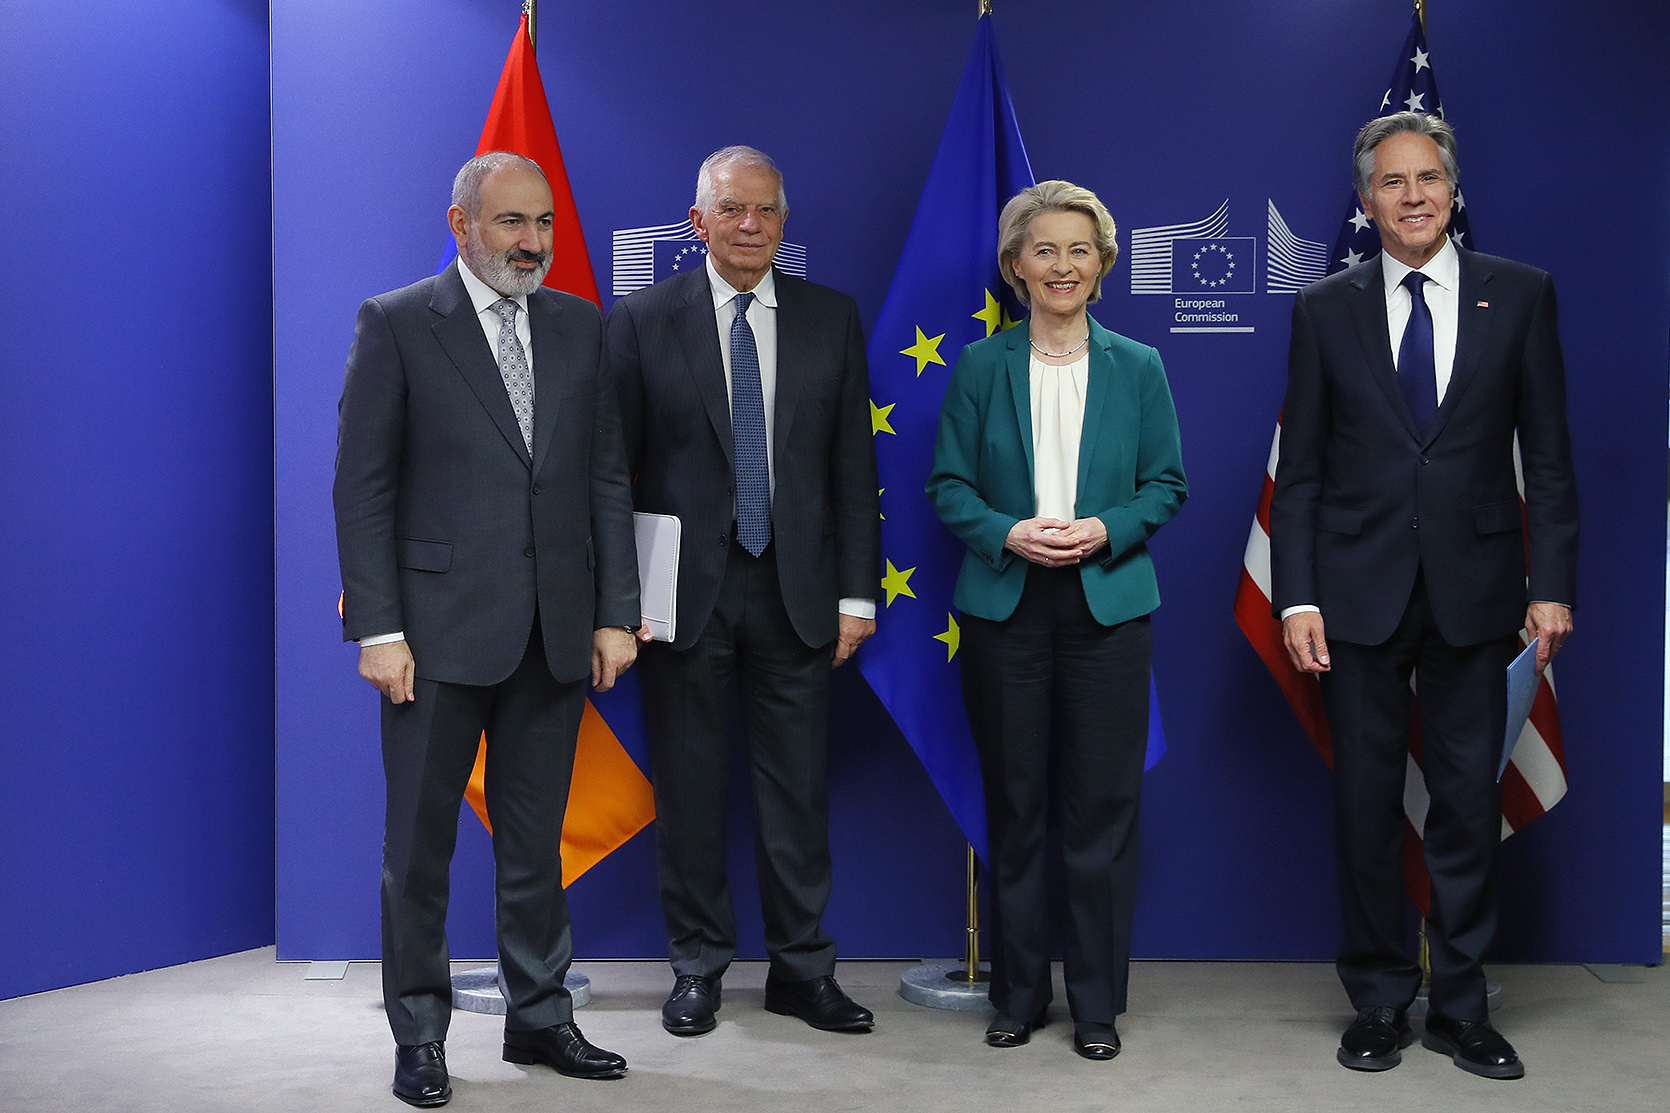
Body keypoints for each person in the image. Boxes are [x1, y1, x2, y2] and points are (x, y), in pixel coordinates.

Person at [1269, 112, 1578, 1080]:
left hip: (1478, 594)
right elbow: (1301, 472)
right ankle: (1375, 998)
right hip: (1354, 597)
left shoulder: (1519, 294)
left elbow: (1548, 458)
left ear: (1452, 189)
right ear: (1367, 201)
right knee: (1365, 806)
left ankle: (1459, 1006)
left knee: (1464, 805)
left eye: (1428, 178)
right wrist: (1296, 598)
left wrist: (1550, 586)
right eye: (1393, 182)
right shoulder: (1323, 307)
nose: (1413, 196)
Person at [334, 151, 641, 1107]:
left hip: (554, 630)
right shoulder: (396, 322)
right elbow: (362, 488)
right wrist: (378, 628)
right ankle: (420, 1034)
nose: (532, 242)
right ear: (461, 223)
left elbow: (605, 476)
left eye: (542, 222)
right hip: (432, 638)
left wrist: (615, 611)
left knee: (536, 843)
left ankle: (541, 1016)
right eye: (512, 222)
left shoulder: (580, 324)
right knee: (419, 848)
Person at [605, 146, 882, 1037]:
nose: (750, 225)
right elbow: (611, 474)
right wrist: (619, 599)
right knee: (690, 793)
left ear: (785, 222)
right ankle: (697, 967)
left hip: (799, 595)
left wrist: (857, 596)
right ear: (699, 222)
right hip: (681, 601)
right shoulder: (642, 320)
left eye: (765, 210)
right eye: (731, 209)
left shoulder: (831, 317)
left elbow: (853, 469)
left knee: (796, 792)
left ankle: (803, 970)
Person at [926, 180, 1187, 1060]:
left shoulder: (1139, 365)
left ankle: (1098, 1005)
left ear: (1103, 266)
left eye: (1080, 250)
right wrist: (1009, 532)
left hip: (1108, 609)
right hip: (1006, 609)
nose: (1063, 266)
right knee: (1017, 806)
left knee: (1102, 812)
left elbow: (1168, 485)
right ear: (1016, 267)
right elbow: (948, 486)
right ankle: (1019, 993)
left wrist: (1107, 527)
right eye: (1045, 250)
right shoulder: (980, 365)